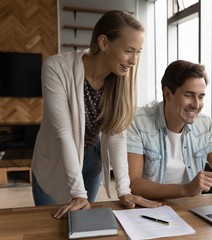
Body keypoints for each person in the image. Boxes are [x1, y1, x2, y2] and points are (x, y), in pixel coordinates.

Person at [31, 10, 161, 219]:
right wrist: (78, 193)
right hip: (54, 161)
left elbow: (117, 135)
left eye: (138, 52)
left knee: (82, 221)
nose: (134, 61)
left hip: (92, 160)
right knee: (51, 228)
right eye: (129, 50)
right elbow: (64, 133)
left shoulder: (120, 80)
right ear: (103, 42)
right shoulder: (56, 68)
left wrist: (124, 190)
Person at [126, 60, 212, 199]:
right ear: (167, 94)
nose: (196, 105)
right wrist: (186, 190)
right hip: (149, 210)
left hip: (191, 210)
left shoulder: (204, 125)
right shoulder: (138, 122)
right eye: (188, 95)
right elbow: (134, 184)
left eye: (201, 96)